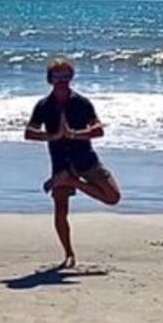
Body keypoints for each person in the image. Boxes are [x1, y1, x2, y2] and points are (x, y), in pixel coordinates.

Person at [24, 59, 121, 269]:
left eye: (66, 77)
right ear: (50, 80)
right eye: (58, 77)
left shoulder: (82, 102)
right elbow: (29, 133)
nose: (62, 82)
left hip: (86, 160)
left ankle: (72, 182)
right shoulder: (43, 105)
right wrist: (53, 136)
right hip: (60, 164)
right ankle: (68, 253)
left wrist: (74, 134)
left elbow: (98, 129)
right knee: (60, 211)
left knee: (113, 197)